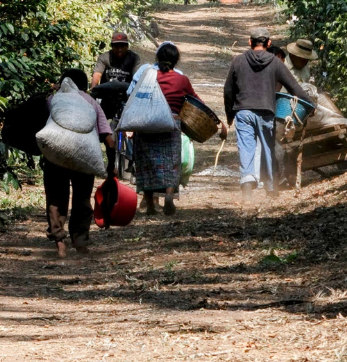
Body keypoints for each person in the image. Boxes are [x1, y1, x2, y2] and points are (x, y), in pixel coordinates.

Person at [130, 42, 221, 215]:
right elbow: (197, 101)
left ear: (157, 59)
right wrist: (217, 121)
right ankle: (169, 196)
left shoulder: (148, 77)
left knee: (147, 162)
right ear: (176, 60)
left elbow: (135, 97)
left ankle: (149, 202)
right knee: (171, 162)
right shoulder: (181, 80)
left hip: (147, 123)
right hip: (171, 123)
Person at [224, 27, 312, 198]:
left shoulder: (238, 61)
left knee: (246, 149)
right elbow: (295, 88)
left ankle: (247, 187)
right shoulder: (276, 63)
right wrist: (310, 104)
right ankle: (271, 188)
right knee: (268, 148)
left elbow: (228, 90)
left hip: (243, 111)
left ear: (250, 42)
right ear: (269, 43)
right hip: (266, 112)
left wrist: (230, 115)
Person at [43, 68, 115, 257]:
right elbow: (109, 139)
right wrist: (111, 167)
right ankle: (80, 242)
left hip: (55, 157)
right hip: (84, 156)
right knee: (82, 198)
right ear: (84, 86)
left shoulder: (53, 100)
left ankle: (59, 242)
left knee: (56, 198)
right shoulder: (91, 103)